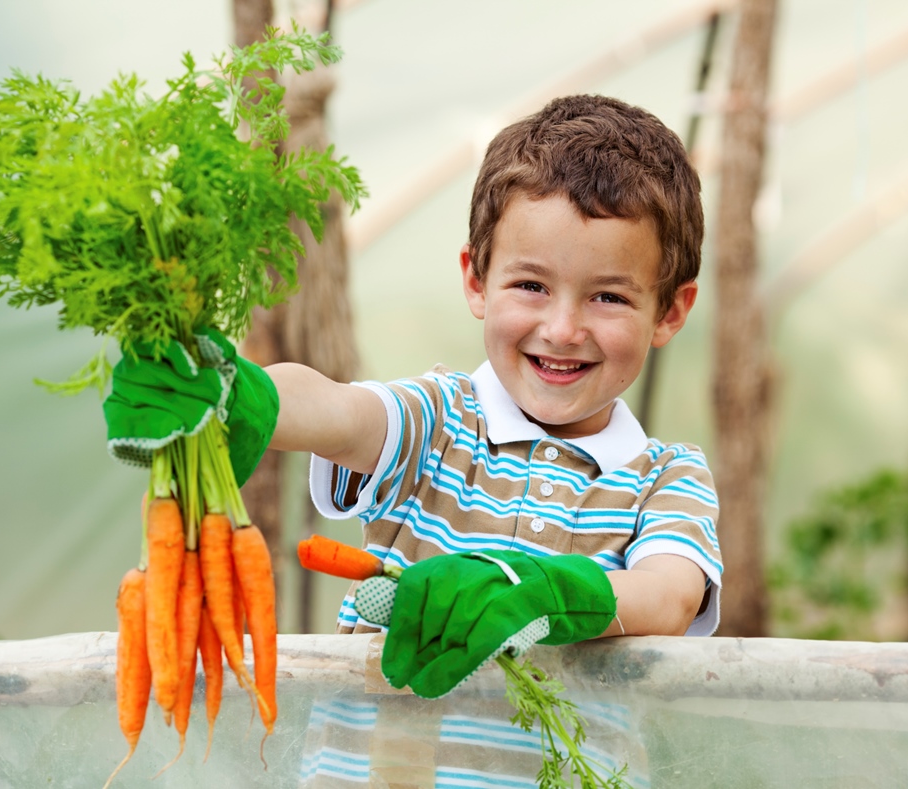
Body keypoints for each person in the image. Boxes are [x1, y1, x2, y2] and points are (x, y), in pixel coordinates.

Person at [103, 93, 722, 783]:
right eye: (530, 285)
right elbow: (339, 410)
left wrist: (549, 590)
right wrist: (252, 396)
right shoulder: (438, 418)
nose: (562, 328)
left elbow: (669, 596)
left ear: (669, 310)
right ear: (475, 280)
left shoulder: (665, 475)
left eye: (607, 296)